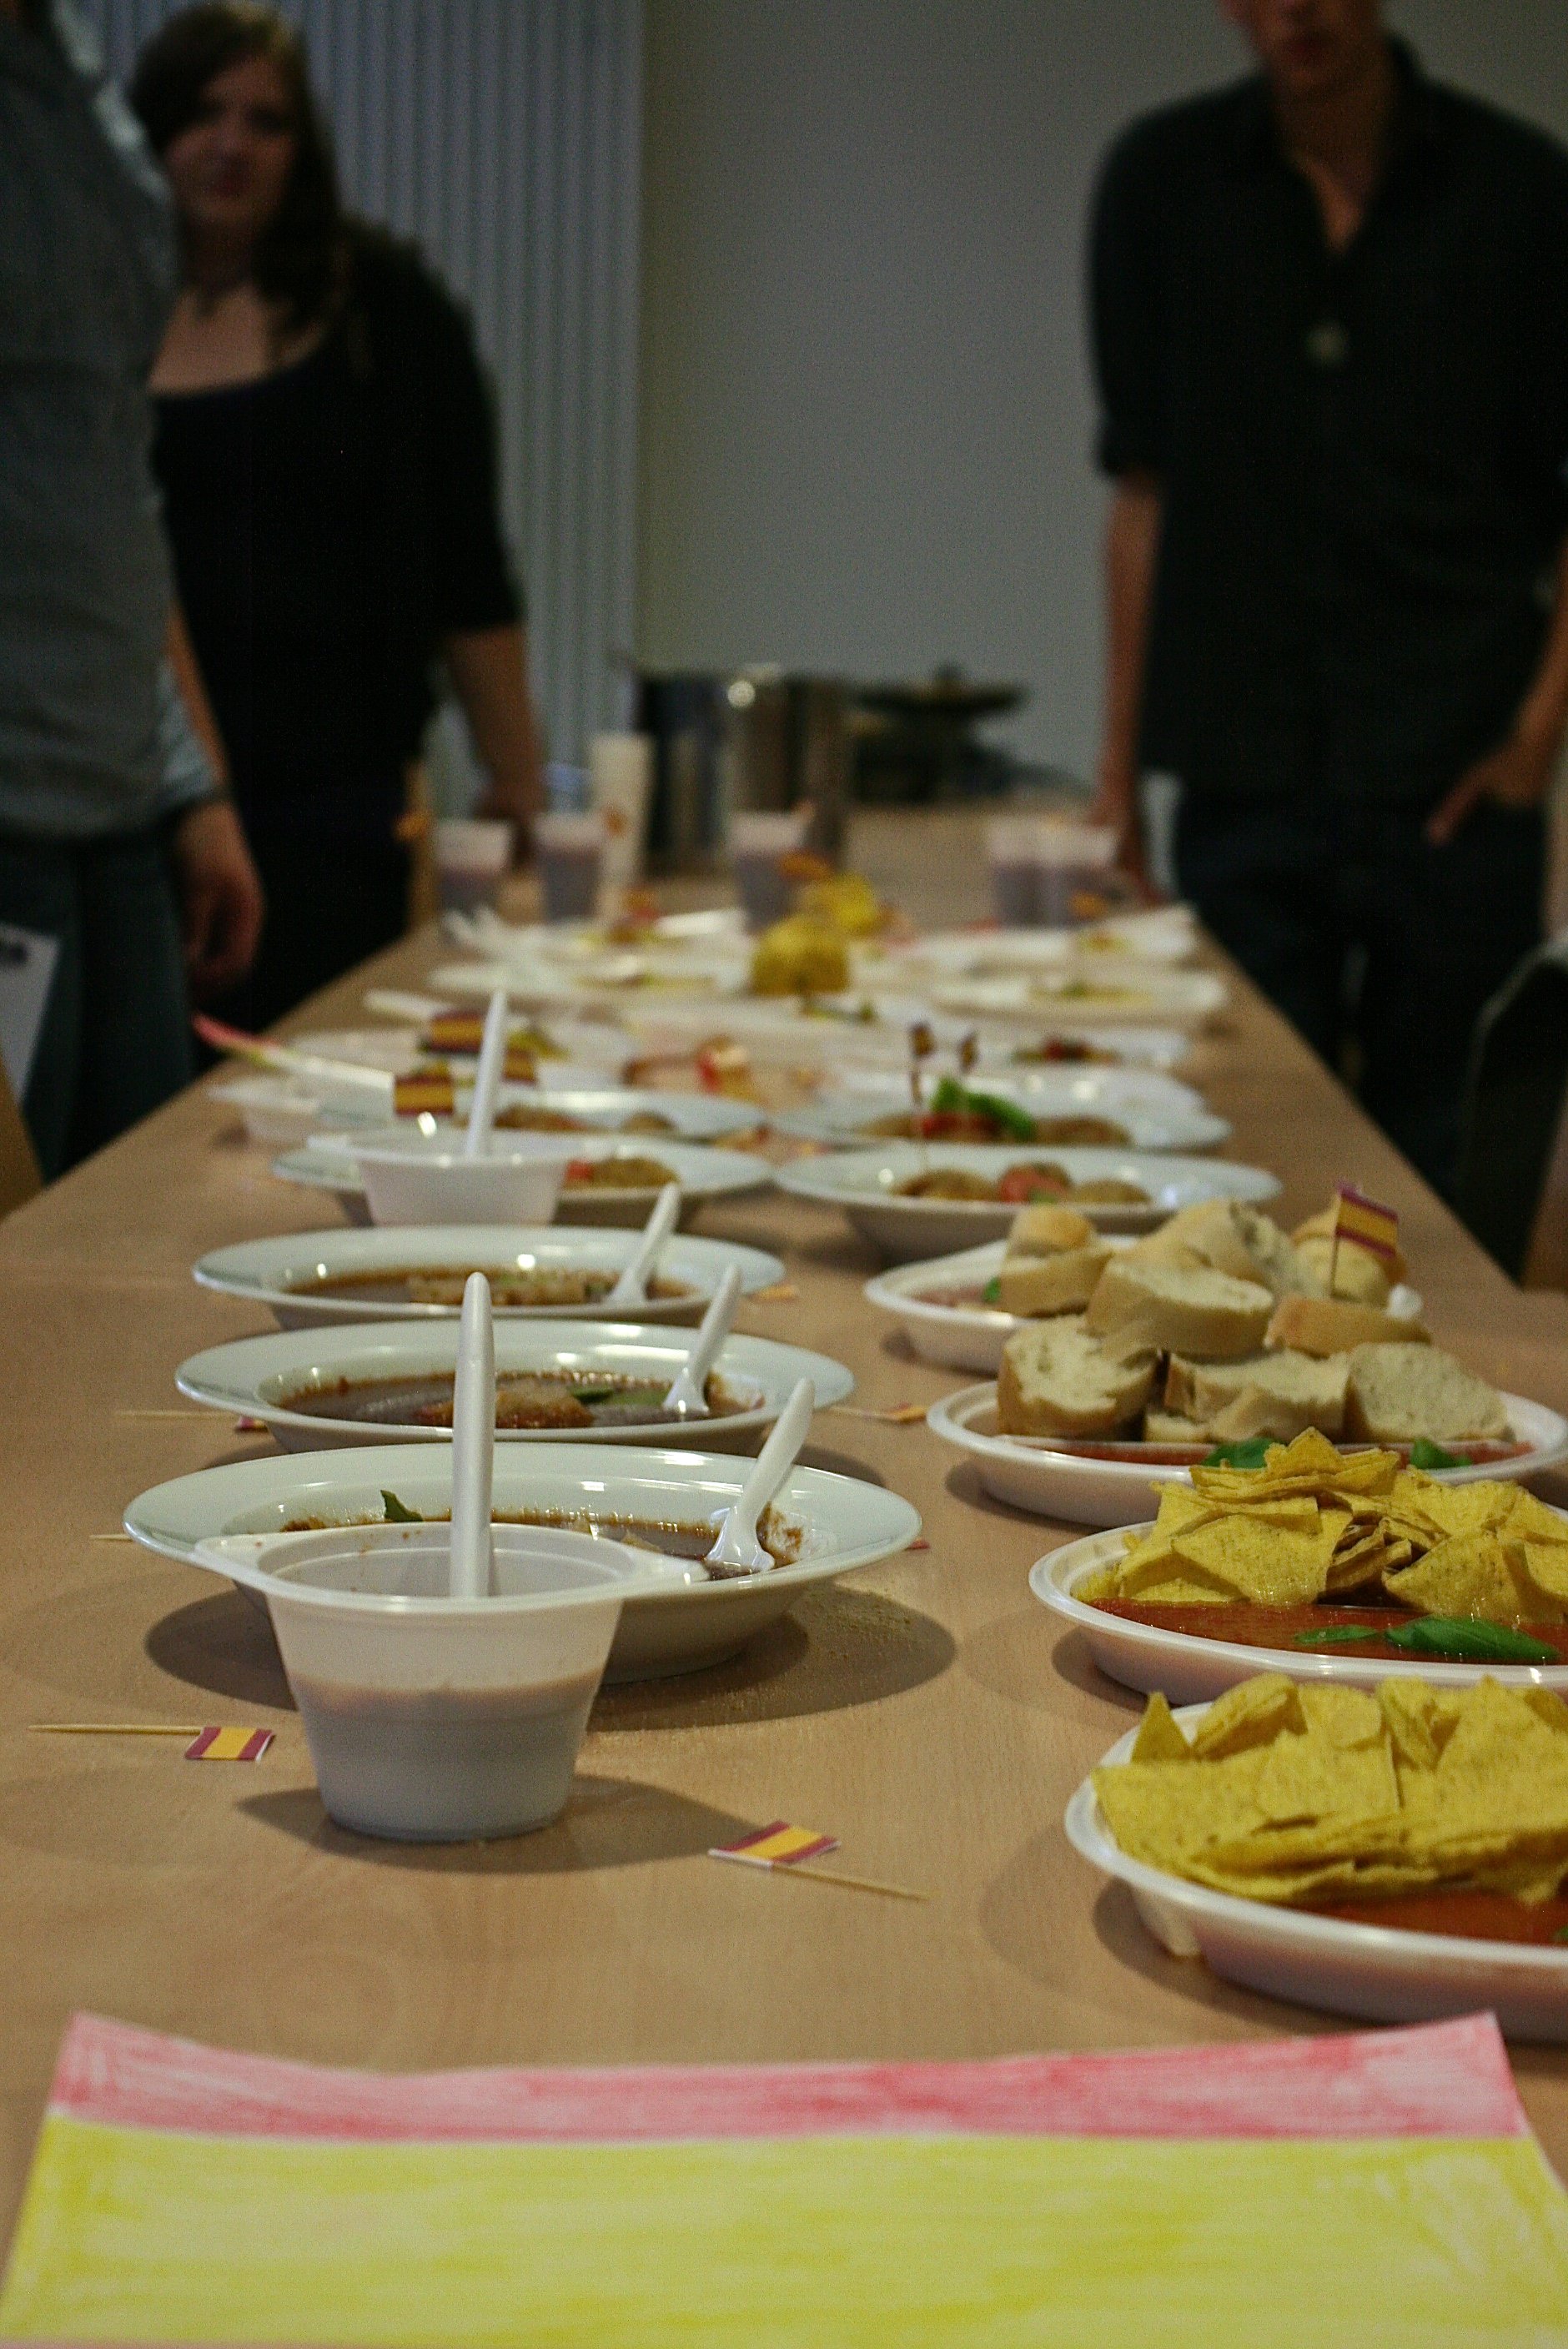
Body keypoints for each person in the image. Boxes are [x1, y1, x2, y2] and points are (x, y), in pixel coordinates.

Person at [1087, 0, 1568, 1197]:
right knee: (1244, 1172)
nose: (1295, 7)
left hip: (1456, 775)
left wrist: (1534, 737)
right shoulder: (1165, 183)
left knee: (1456, 1183)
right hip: (1244, 768)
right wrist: (1116, 773)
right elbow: (1142, 492)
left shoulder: (1521, 191)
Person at [131, 1, 544, 1033]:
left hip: (334, 803)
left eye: (266, 121)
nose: (231, 144)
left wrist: (518, 777)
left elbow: (469, 570)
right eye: (203, 113)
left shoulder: (387, 312)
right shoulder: (85, 313)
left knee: (330, 1067)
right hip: (141, 803)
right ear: (150, 130)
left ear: (302, 147)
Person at [0, 0, 264, 1179]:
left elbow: (107, 472)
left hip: (115, 801)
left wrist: (189, 780)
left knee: (139, 1222)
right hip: (10, 809)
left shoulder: (68, 64)